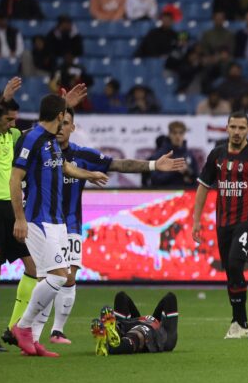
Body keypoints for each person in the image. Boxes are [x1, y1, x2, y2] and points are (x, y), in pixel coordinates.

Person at [38, 107, 185, 345]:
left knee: (69, 277)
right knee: (45, 278)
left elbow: (119, 164)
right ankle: (30, 331)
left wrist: (153, 165)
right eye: (59, 122)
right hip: (43, 222)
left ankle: (57, 331)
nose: (61, 127)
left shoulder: (81, 154)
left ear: (73, 128)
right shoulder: (41, 151)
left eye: (66, 123)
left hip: (71, 224)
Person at [8, 94, 108, 358]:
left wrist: (90, 174)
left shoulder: (52, 141)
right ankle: (22, 327)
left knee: (49, 279)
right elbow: (15, 179)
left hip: (57, 222)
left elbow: (65, 167)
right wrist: (19, 218)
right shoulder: (32, 138)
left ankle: (32, 340)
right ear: (59, 116)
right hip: (37, 219)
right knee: (59, 277)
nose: (66, 121)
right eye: (64, 115)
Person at [192, 112, 248, 339]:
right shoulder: (217, 155)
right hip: (223, 222)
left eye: (241, 128)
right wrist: (196, 221)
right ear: (227, 128)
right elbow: (203, 187)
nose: (237, 132)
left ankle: (239, 322)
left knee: (235, 263)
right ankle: (240, 323)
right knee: (230, 272)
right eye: (233, 127)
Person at [0, 80, 36, 352]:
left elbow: (38, 132)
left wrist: (63, 108)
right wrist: (2, 99)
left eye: (14, 120)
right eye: (8, 119)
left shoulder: (13, 135)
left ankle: (13, 328)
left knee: (33, 267)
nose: (12, 124)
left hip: (12, 209)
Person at [91, 291, 179, 355]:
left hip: (153, 332)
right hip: (147, 327)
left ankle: (113, 337)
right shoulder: (160, 329)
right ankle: (113, 335)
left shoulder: (161, 334)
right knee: (121, 296)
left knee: (139, 333)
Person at [147, 120, 197, 187]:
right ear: (169, 134)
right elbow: (154, 180)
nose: (177, 136)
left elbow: (197, 180)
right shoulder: (160, 155)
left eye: (181, 133)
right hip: (165, 192)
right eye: (174, 133)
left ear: (184, 134)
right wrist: (175, 170)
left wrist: (189, 172)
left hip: (185, 192)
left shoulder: (189, 155)